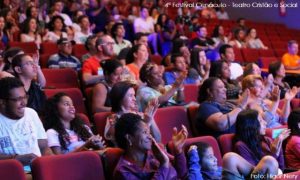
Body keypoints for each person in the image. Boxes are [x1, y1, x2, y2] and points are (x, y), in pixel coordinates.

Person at [113, 113, 188, 179]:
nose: (150, 137)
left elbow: (182, 173)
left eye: (149, 132)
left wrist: (178, 150)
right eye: (145, 132)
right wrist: (163, 164)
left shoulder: (154, 150)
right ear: (129, 138)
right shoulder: (123, 171)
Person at [0, 77, 52, 166]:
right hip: (12, 173)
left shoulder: (31, 113)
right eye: (18, 99)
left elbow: (44, 148)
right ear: (3, 102)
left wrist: (51, 165)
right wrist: (15, 159)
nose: (23, 103)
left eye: (24, 97)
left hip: (39, 169)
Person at [104, 81, 161, 145]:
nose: (134, 99)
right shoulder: (113, 119)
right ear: (120, 98)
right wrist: (146, 123)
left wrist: (151, 118)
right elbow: (123, 145)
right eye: (130, 96)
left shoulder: (141, 115)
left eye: (134, 95)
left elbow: (158, 139)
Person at [188, 142, 279, 180]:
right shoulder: (200, 174)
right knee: (229, 158)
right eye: (210, 157)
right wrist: (193, 157)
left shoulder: (220, 169)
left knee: (269, 161)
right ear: (198, 162)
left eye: (214, 156)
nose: (215, 159)